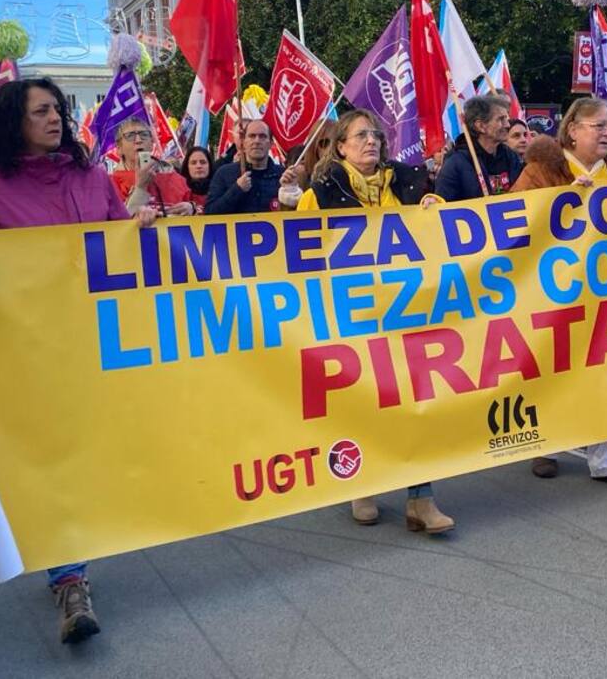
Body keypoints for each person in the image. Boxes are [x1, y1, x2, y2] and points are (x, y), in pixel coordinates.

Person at [0, 77, 157, 646]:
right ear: (15, 121)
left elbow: (115, 241)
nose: (55, 118)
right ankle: (70, 579)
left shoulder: (91, 178)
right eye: (40, 111)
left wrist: (137, 227)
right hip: (32, 354)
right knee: (52, 458)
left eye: (57, 109)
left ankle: (68, 553)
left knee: (93, 456)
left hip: (97, 345)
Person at [297, 108, 454, 533]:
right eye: (360, 135)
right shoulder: (321, 193)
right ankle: (363, 485)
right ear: (341, 146)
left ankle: (420, 499)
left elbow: (441, 230)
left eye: (376, 136)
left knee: (414, 401)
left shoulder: (408, 183)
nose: (372, 142)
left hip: (405, 311)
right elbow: (299, 256)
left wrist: (432, 206)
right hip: (352, 316)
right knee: (364, 401)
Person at [511, 97, 607, 490]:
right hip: (555, 289)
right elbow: (509, 218)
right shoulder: (542, 170)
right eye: (597, 125)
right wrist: (559, 203)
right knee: (555, 367)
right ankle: (547, 443)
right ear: (572, 129)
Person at [434, 94, 523, 201]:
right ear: (480, 126)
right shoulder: (455, 163)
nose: (508, 125)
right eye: (501, 119)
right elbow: (443, 206)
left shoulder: (510, 156)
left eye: (507, 119)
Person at [109, 117, 194, 216]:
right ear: (119, 149)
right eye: (130, 136)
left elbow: (202, 212)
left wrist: (191, 207)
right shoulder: (110, 184)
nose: (138, 140)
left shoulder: (175, 178)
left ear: (152, 143)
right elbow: (116, 224)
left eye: (144, 134)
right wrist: (140, 186)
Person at [205, 118, 286, 214]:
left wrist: (291, 190)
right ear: (244, 142)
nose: (257, 141)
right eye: (252, 136)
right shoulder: (224, 174)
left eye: (262, 136)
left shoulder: (283, 175)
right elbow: (210, 212)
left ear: (271, 143)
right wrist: (237, 189)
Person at [178, 145, 215, 214]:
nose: (198, 166)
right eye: (193, 163)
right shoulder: (179, 191)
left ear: (209, 166)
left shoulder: (220, 190)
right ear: (187, 167)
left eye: (203, 162)